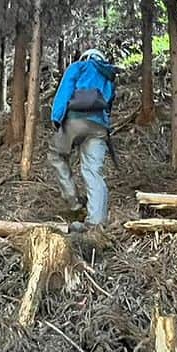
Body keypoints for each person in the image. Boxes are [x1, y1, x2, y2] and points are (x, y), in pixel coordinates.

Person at [48, 48, 117, 231]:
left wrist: (56, 118)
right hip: (98, 127)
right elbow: (108, 104)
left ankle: (73, 203)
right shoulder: (108, 75)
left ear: (86, 57)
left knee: (56, 156)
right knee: (93, 171)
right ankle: (96, 221)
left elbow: (64, 92)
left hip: (74, 121)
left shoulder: (78, 67)